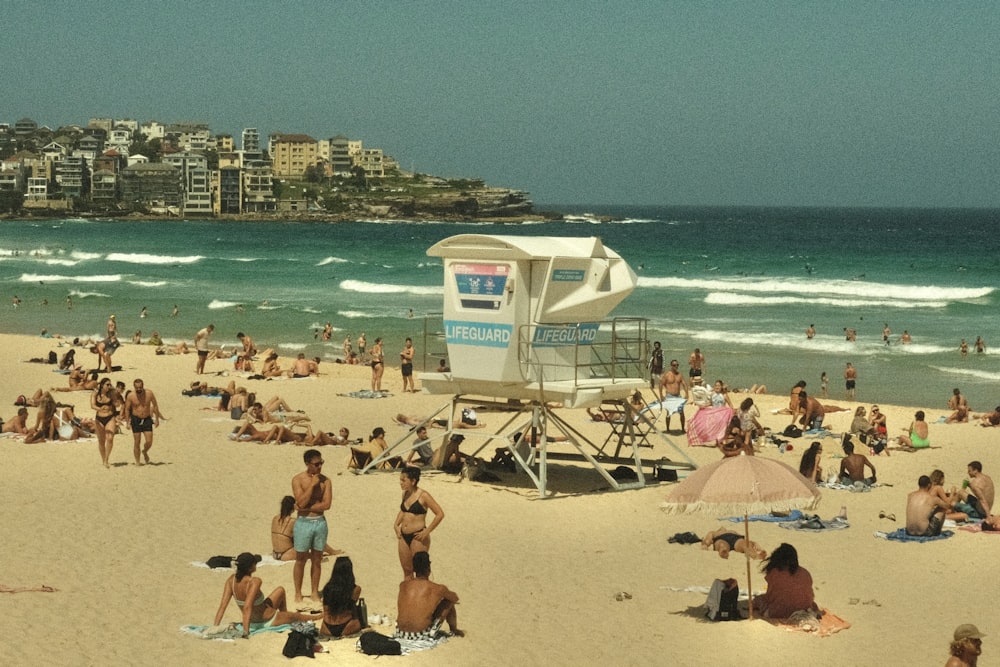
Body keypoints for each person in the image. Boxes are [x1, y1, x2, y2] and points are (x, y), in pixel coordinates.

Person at [213, 552, 320, 638]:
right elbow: (247, 606)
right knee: (296, 616)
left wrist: (215, 626)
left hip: (254, 617)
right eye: (255, 563)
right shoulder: (254, 581)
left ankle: (284, 616)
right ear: (251, 568)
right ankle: (318, 616)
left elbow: (223, 606)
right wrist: (246, 632)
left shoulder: (231, 581)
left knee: (280, 590)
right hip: (267, 619)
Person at [292, 449, 332, 603]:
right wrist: (312, 485)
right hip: (303, 523)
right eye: (316, 464)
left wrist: (305, 507)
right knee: (300, 558)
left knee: (317, 559)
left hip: (319, 522)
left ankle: (314, 591)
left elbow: (326, 505)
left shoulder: (326, 481)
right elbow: (300, 501)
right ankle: (298, 592)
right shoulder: (298, 480)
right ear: (308, 464)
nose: (320, 467)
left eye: (321, 463)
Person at [395, 552, 463, 639]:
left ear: (414, 569)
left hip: (400, 632)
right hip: (420, 634)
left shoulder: (403, 585)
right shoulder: (438, 588)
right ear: (429, 568)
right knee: (448, 601)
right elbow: (455, 598)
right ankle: (454, 630)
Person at [394, 466, 445, 578]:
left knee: (421, 574)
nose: (400, 483)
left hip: (418, 537)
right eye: (400, 480)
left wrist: (427, 532)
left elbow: (440, 514)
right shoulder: (405, 493)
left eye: (403, 480)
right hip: (403, 536)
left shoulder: (424, 496)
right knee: (407, 571)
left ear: (413, 481)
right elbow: (403, 511)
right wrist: (396, 524)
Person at [752, 543, 818, 620]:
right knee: (811, 603)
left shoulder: (774, 572)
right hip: (804, 610)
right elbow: (809, 594)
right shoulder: (805, 572)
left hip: (778, 612)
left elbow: (771, 596)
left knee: (758, 600)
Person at [272, 496, 341, 561]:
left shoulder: (275, 519)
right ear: (293, 507)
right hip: (287, 554)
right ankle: (332, 551)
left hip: (275, 554)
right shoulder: (292, 521)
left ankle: (330, 551)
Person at [122, 378, 162, 466]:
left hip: (147, 419)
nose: (139, 389)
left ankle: (145, 451)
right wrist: (128, 422)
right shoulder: (131, 396)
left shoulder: (149, 393)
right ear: (134, 387)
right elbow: (127, 409)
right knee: (137, 441)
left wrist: (157, 419)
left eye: (140, 387)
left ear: (143, 386)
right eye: (137, 388)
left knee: (149, 441)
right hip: (136, 419)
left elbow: (155, 406)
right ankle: (137, 462)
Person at [321, 556, 363, 638]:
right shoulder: (355, 589)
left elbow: (326, 609)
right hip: (347, 626)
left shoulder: (327, 588)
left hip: (326, 627)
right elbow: (351, 608)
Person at [91, 378, 121, 467]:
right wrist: (99, 408)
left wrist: (116, 402)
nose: (109, 386)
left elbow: (117, 404)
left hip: (110, 417)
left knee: (110, 438)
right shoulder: (95, 394)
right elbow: (92, 405)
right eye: (107, 384)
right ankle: (103, 458)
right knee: (101, 441)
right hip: (99, 418)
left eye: (109, 385)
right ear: (102, 385)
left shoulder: (111, 394)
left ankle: (107, 459)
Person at [658, 359, 689, 433]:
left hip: (678, 396)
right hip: (669, 396)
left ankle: (682, 429)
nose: (676, 367)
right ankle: (668, 429)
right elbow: (661, 384)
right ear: (671, 366)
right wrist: (661, 395)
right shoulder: (667, 375)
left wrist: (687, 393)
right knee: (669, 413)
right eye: (674, 365)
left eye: (677, 365)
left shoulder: (679, 375)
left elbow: (684, 384)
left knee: (681, 412)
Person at [701, 527, 766, 560]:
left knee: (744, 544)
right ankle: (723, 552)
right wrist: (705, 544)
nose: (723, 527)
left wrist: (752, 543)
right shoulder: (714, 533)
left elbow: (744, 540)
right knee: (722, 545)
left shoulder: (732, 531)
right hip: (720, 538)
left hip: (735, 538)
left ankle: (755, 555)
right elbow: (707, 540)